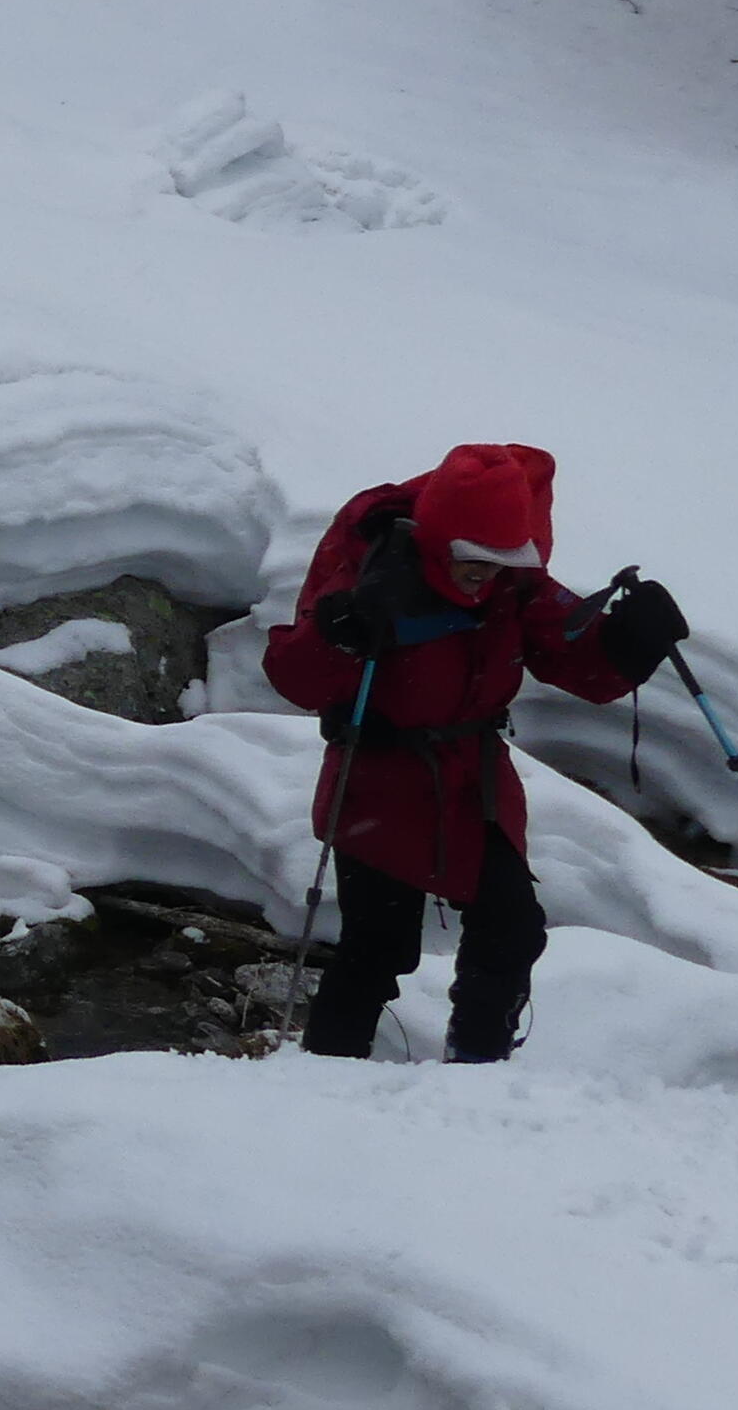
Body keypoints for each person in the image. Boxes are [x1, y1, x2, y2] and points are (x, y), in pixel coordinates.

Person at [261, 442, 687, 1063]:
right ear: (441, 541)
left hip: (471, 781)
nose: (485, 576)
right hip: (378, 779)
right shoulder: (372, 565)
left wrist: (627, 644)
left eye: (500, 562)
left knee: (512, 928)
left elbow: (577, 664)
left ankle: (478, 1071)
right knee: (377, 946)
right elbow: (295, 679)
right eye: (473, 561)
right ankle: (328, 1073)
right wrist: (338, 632)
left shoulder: (512, 579)